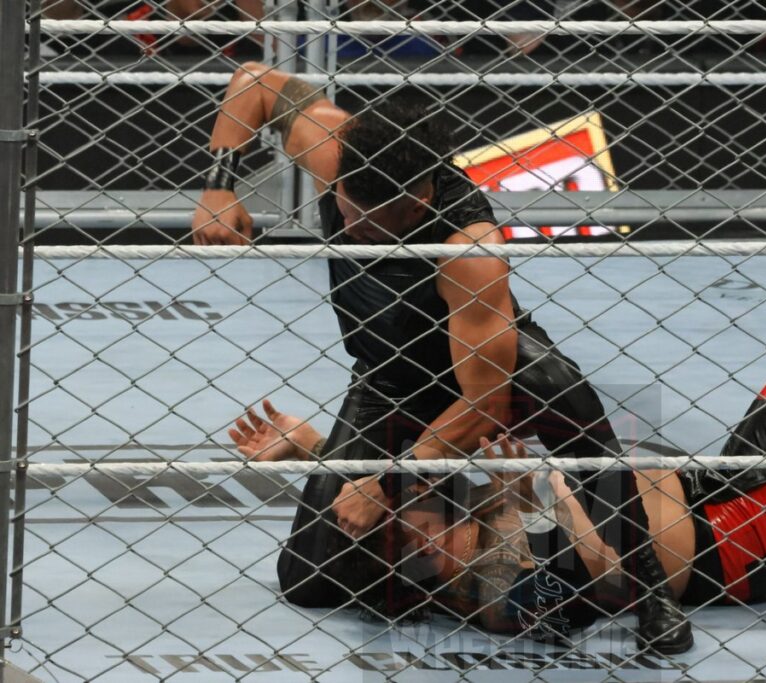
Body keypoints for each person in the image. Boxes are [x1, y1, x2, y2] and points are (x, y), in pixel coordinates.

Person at [193, 62, 691, 653]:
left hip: (485, 368)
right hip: (388, 374)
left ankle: (652, 592)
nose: (350, 229)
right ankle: (448, 524)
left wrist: (390, 480)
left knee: (577, 414)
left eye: (371, 223)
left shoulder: (471, 251)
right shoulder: (334, 150)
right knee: (311, 580)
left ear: (420, 201)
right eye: (346, 209)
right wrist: (221, 187)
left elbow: (484, 403)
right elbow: (255, 81)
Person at [232, 317, 766, 646]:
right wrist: (545, 488)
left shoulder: (451, 528)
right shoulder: (492, 587)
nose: (417, 503)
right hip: (732, 533)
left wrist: (306, 447)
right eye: (408, 520)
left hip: (718, 493)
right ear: (415, 556)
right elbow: (612, 577)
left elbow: (389, 479)